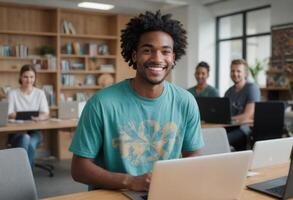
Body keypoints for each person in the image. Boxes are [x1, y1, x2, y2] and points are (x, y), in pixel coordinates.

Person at [69, 10, 204, 192]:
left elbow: (193, 154)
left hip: (165, 192)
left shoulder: (186, 101)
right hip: (114, 194)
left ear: (173, 58)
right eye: (148, 50)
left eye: (165, 52)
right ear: (134, 55)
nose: (157, 58)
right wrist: (130, 182)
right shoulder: (101, 103)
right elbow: (79, 169)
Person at [8, 64, 49, 167]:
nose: (29, 80)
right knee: (25, 138)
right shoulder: (12, 93)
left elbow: (45, 113)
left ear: (35, 78)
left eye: (32, 77)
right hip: (16, 132)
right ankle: (26, 175)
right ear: (20, 77)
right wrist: (30, 117)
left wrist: (40, 117)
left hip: (35, 131)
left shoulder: (40, 93)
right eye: (25, 77)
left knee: (29, 142)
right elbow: (10, 114)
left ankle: (23, 175)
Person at [224, 59, 260, 151]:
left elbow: (248, 116)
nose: (235, 74)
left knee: (222, 140)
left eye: (238, 71)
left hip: (246, 129)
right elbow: (224, 114)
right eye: (232, 71)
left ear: (245, 74)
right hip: (230, 127)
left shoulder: (252, 88)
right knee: (210, 137)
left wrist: (228, 119)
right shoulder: (228, 92)